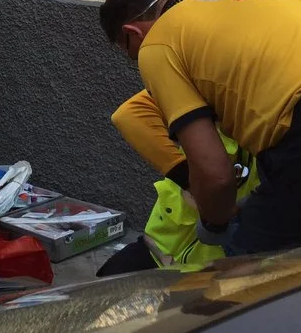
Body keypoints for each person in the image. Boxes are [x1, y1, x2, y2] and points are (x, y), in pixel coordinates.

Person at [101, 0, 301, 255]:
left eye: (130, 54)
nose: (137, 60)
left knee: (244, 271)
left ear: (132, 32)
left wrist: (215, 222)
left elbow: (215, 175)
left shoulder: (158, 44)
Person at [98, 90, 259, 276]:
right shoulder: (202, 86)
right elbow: (128, 115)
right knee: (102, 286)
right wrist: (188, 179)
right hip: (156, 250)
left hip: (214, 269)